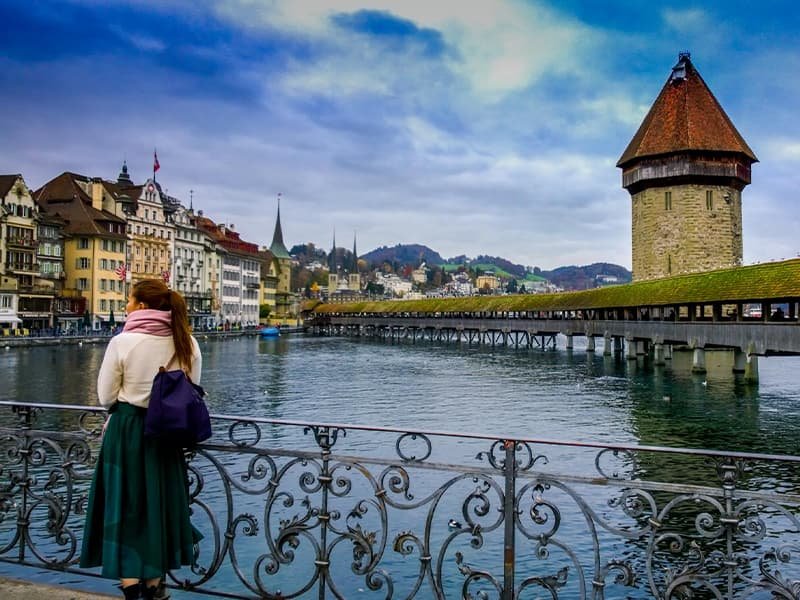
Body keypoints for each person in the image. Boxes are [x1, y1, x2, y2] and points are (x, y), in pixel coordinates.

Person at [80, 279, 203, 600]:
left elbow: (106, 396)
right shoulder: (186, 341)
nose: (126, 307)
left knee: (126, 505)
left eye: (130, 301)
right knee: (157, 504)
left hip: (128, 431)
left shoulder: (123, 342)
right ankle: (155, 584)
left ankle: (132, 586)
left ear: (143, 307)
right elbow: (193, 390)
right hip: (167, 434)